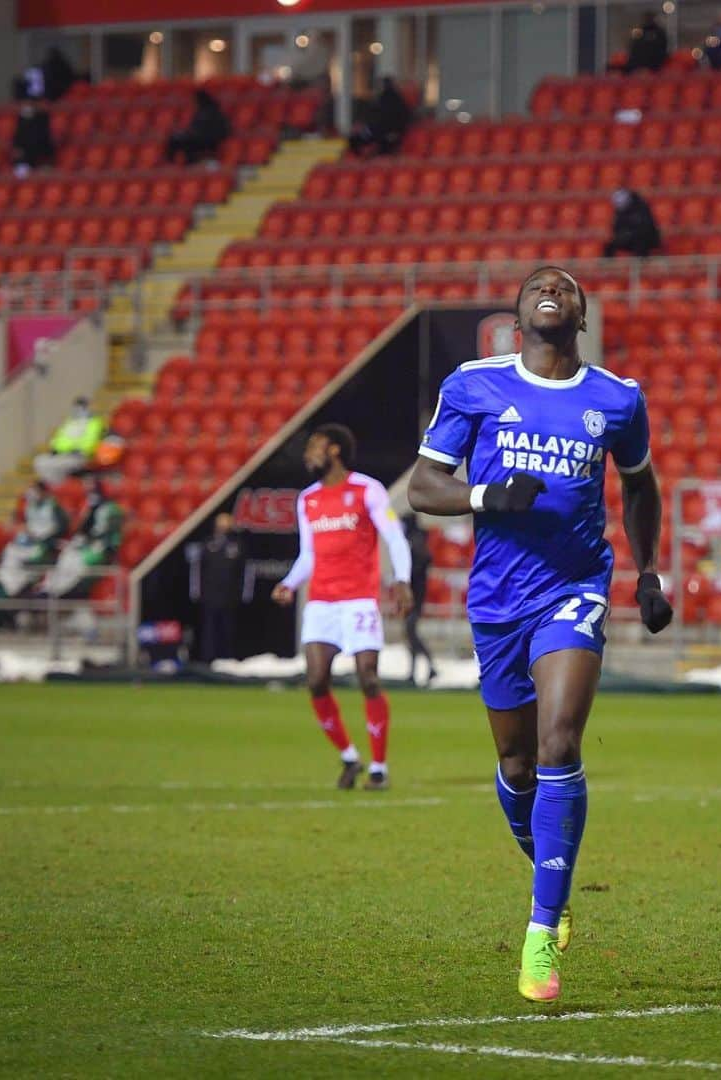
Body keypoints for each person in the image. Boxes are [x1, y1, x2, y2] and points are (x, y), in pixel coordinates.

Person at [408, 266, 673, 1003]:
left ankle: (540, 932)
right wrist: (487, 494)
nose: (552, 288)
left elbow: (641, 484)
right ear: (519, 313)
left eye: (567, 285)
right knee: (518, 763)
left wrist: (649, 572)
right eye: (537, 285)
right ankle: (545, 865)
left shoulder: (618, 399)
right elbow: (424, 485)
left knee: (560, 741)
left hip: (576, 588)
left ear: (581, 314)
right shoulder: (473, 384)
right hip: (497, 600)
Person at [272, 424, 413, 791]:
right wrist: (289, 582)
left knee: (368, 676)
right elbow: (308, 554)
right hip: (321, 601)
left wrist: (402, 578)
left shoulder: (367, 489)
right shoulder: (308, 500)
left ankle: (379, 767)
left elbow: (393, 536)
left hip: (359, 599)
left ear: (334, 450)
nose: (308, 456)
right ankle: (350, 757)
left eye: (314, 448)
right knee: (317, 681)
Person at [41, 476, 123, 599]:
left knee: (77, 563)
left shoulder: (111, 509)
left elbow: (104, 534)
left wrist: (86, 542)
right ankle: (50, 588)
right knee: (66, 555)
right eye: (88, 491)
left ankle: (62, 592)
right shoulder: (90, 508)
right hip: (86, 546)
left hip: (104, 549)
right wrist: (78, 541)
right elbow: (84, 530)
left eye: (93, 490)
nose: (90, 494)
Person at [188, 513, 253, 662]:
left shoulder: (238, 545)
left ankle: (228, 660)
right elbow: (197, 569)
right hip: (209, 595)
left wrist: (245, 594)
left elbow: (247, 570)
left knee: (228, 630)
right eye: (220, 522)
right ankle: (208, 661)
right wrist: (196, 592)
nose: (223, 526)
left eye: (226, 522)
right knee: (209, 630)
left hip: (230, 596)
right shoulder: (207, 544)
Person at [0, 482, 68, 600]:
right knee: (11, 551)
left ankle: (17, 586)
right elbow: (22, 523)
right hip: (28, 540)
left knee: (28, 561)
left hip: (45, 542)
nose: (33, 495)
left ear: (44, 492)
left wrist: (47, 539)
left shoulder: (53, 506)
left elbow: (63, 526)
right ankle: (7, 583)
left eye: (36, 491)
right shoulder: (29, 506)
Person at [33, 397, 106, 487]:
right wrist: (54, 449)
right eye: (75, 408)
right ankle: (58, 487)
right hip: (61, 455)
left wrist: (79, 450)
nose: (77, 410)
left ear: (87, 408)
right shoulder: (69, 422)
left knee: (54, 467)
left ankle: (60, 488)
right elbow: (58, 439)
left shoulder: (94, 423)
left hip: (79, 456)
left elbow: (90, 441)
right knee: (40, 461)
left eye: (81, 408)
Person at [402, 514, 437, 685]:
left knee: (411, 632)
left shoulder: (414, 544)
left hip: (414, 596)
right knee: (410, 634)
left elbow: (418, 567)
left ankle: (430, 666)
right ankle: (416, 671)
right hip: (416, 595)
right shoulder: (417, 542)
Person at [347, 77, 412, 157]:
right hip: (378, 132)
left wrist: (395, 132)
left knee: (359, 138)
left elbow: (400, 120)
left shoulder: (393, 101)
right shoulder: (381, 100)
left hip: (385, 134)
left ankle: (366, 158)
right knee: (358, 137)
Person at [165, 89, 230, 165]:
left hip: (209, 141)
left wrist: (188, 134)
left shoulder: (207, 113)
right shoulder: (205, 111)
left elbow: (203, 130)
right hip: (202, 138)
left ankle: (187, 163)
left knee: (182, 142)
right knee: (179, 139)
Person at [603, 188, 662, 259]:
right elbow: (616, 228)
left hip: (646, 238)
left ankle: (640, 264)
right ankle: (607, 267)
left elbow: (646, 227)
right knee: (610, 245)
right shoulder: (620, 213)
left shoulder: (641, 208)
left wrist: (631, 233)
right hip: (630, 237)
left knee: (640, 242)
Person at [11, 102, 55, 176]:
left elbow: (48, 149)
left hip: (41, 157)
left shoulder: (43, 128)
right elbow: (17, 147)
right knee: (21, 172)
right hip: (26, 159)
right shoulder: (20, 131)